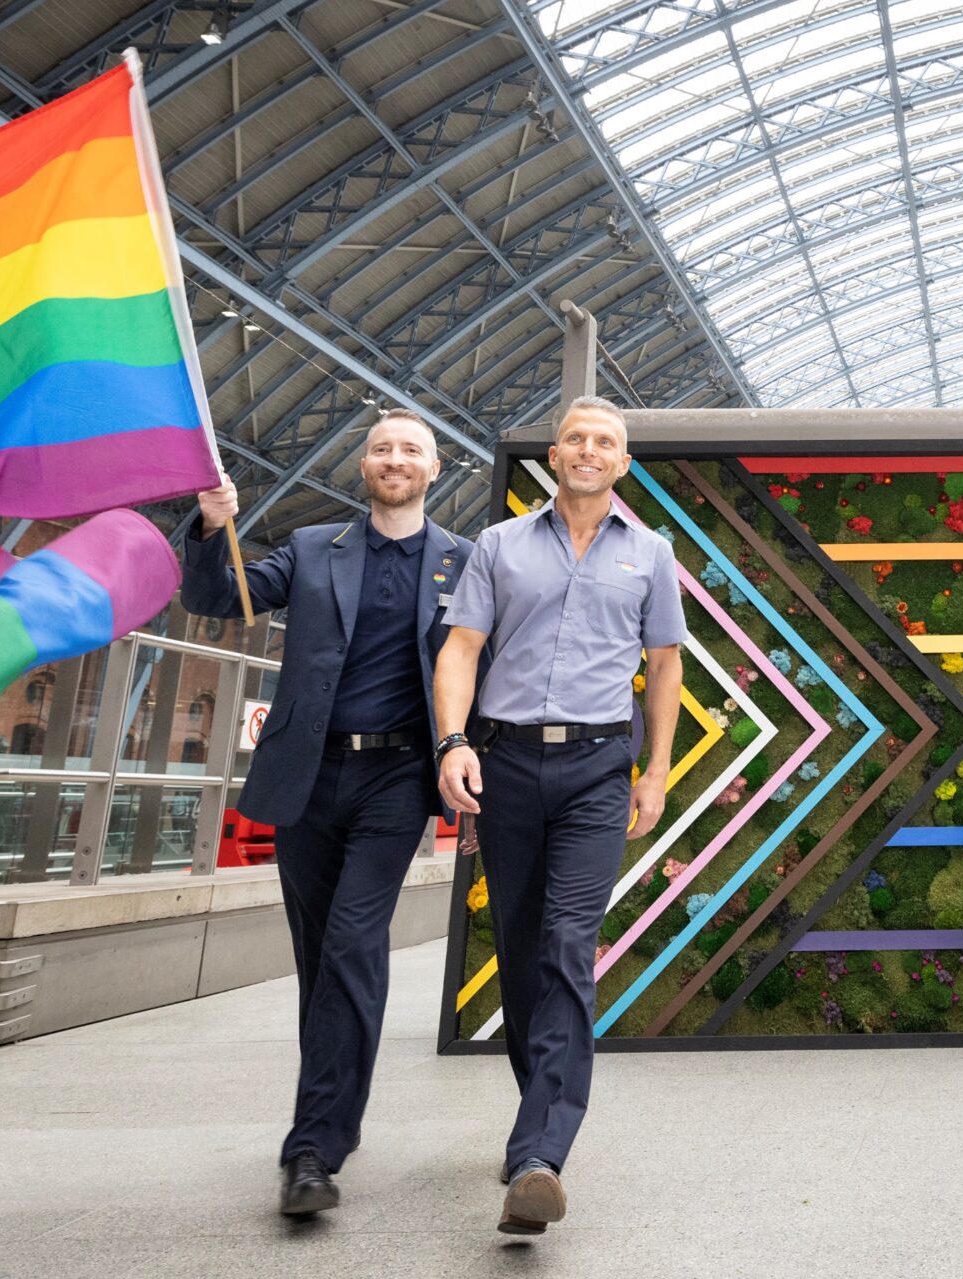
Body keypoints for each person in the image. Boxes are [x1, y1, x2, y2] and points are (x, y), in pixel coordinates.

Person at [183, 408, 481, 1217]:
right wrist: (212, 526)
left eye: (410, 450)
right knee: (321, 959)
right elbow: (219, 596)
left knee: (352, 943)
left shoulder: (464, 561)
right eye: (383, 448)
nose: (396, 459)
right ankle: (330, 1118)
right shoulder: (315, 548)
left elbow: (492, 655)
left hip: (398, 779)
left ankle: (312, 1149)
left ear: (435, 469)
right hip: (307, 777)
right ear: (363, 464)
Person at [433, 395, 686, 1236]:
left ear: (622, 461)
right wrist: (453, 742)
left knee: (569, 942)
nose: (589, 449)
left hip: (596, 767)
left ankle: (541, 1153)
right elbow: (462, 647)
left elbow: (663, 664)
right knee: (519, 944)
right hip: (504, 760)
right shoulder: (499, 545)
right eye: (576, 437)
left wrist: (655, 772)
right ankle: (534, 1128)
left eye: (605, 441)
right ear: (554, 453)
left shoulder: (651, 552)